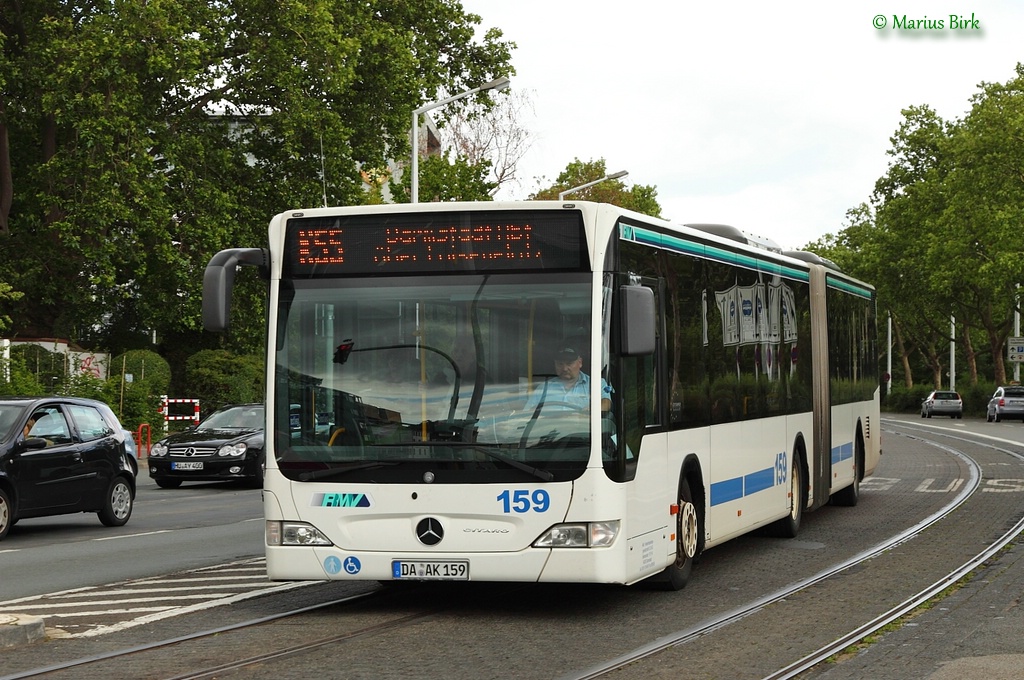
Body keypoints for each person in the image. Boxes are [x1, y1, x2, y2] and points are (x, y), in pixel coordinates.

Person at [524, 346, 612, 414]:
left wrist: (590, 411)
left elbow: (606, 403)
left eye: (569, 363)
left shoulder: (596, 384)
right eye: (560, 364)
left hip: (583, 434)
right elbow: (527, 413)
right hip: (548, 434)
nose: (565, 368)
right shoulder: (544, 388)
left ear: (580, 362)